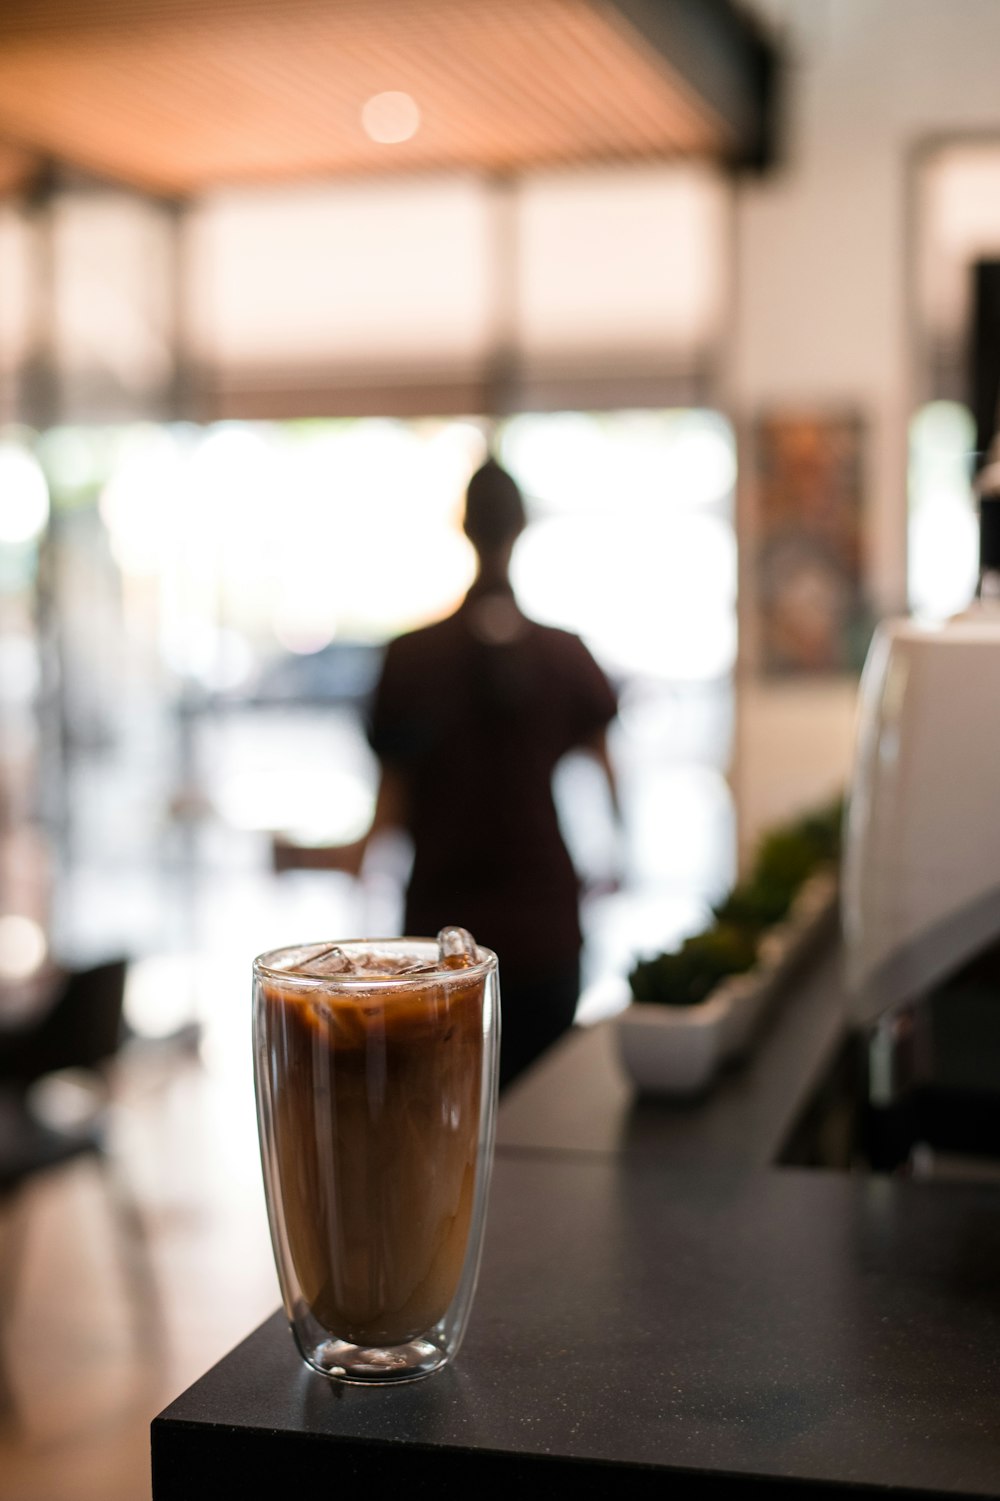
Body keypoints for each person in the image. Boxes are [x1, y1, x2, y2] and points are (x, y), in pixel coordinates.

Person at [358, 457, 619, 1089]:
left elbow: (386, 815)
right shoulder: (566, 655)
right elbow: (610, 779)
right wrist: (617, 860)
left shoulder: (410, 659)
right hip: (546, 930)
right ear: (521, 527)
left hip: (441, 942)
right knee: (543, 1124)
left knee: (446, 1124)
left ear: (465, 527)